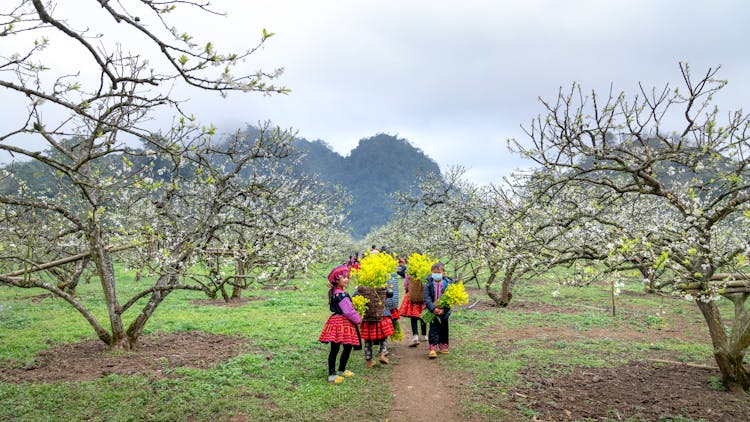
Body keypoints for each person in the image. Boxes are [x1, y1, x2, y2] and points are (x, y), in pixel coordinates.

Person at [318, 265, 362, 383]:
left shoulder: (337, 292)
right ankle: (332, 374)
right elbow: (348, 311)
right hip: (342, 323)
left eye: (348, 277)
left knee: (342, 347)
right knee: (340, 348)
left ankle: (340, 370)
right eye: (344, 277)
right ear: (336, 280)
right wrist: (359, 319)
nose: (347, 279)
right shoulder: (341, 295)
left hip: (338, 322)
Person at [357, 283, 395, 368]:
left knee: (368, 341)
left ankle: (369, 360)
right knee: (383, 337)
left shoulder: (363, 287)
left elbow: (355, 295)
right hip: (381, 315)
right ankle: (382, 354)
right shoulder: (381, 286)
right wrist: (388, 287)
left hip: (368, 317)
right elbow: (390, 294)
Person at [423, 262, 454, 359]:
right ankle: (432, 348)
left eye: (439, 272)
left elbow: (451, 299)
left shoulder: (448, 284)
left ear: (443, 273)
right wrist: (433, 308)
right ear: (431, 273)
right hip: (433, 311)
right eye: (434, 272)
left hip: (444, 312)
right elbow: (426, 298)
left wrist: (444, 310)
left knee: (444, 329)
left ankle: (443, 346)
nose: (437, 274)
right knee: (433, 329)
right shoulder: (428, 284)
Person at [398, 262, 427, 347]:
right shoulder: (425, 272)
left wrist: (408, 291)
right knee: (423, 316)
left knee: (413, 317)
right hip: (423, 298)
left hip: (412, 297)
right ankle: (424, 335)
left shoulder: (409, 272)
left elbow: (406, 285)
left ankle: (415, 336)